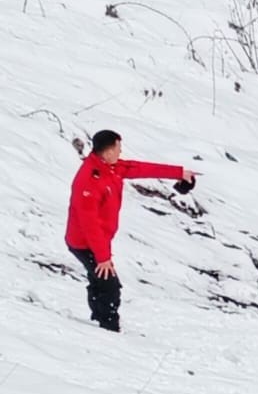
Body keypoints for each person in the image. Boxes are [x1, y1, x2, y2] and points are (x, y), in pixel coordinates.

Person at [65, 129, 195, 333]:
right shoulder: (88, 181)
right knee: (110, 285)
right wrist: (103, 258)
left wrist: (179, 173)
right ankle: (108, 328)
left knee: (99, 281)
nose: (120, 152)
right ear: (108, 152)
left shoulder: (111, 167)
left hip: (98, 241)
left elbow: (139, 168)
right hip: (84, 243)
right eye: (118, 148)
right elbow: (90, 225)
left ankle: (98, 322)